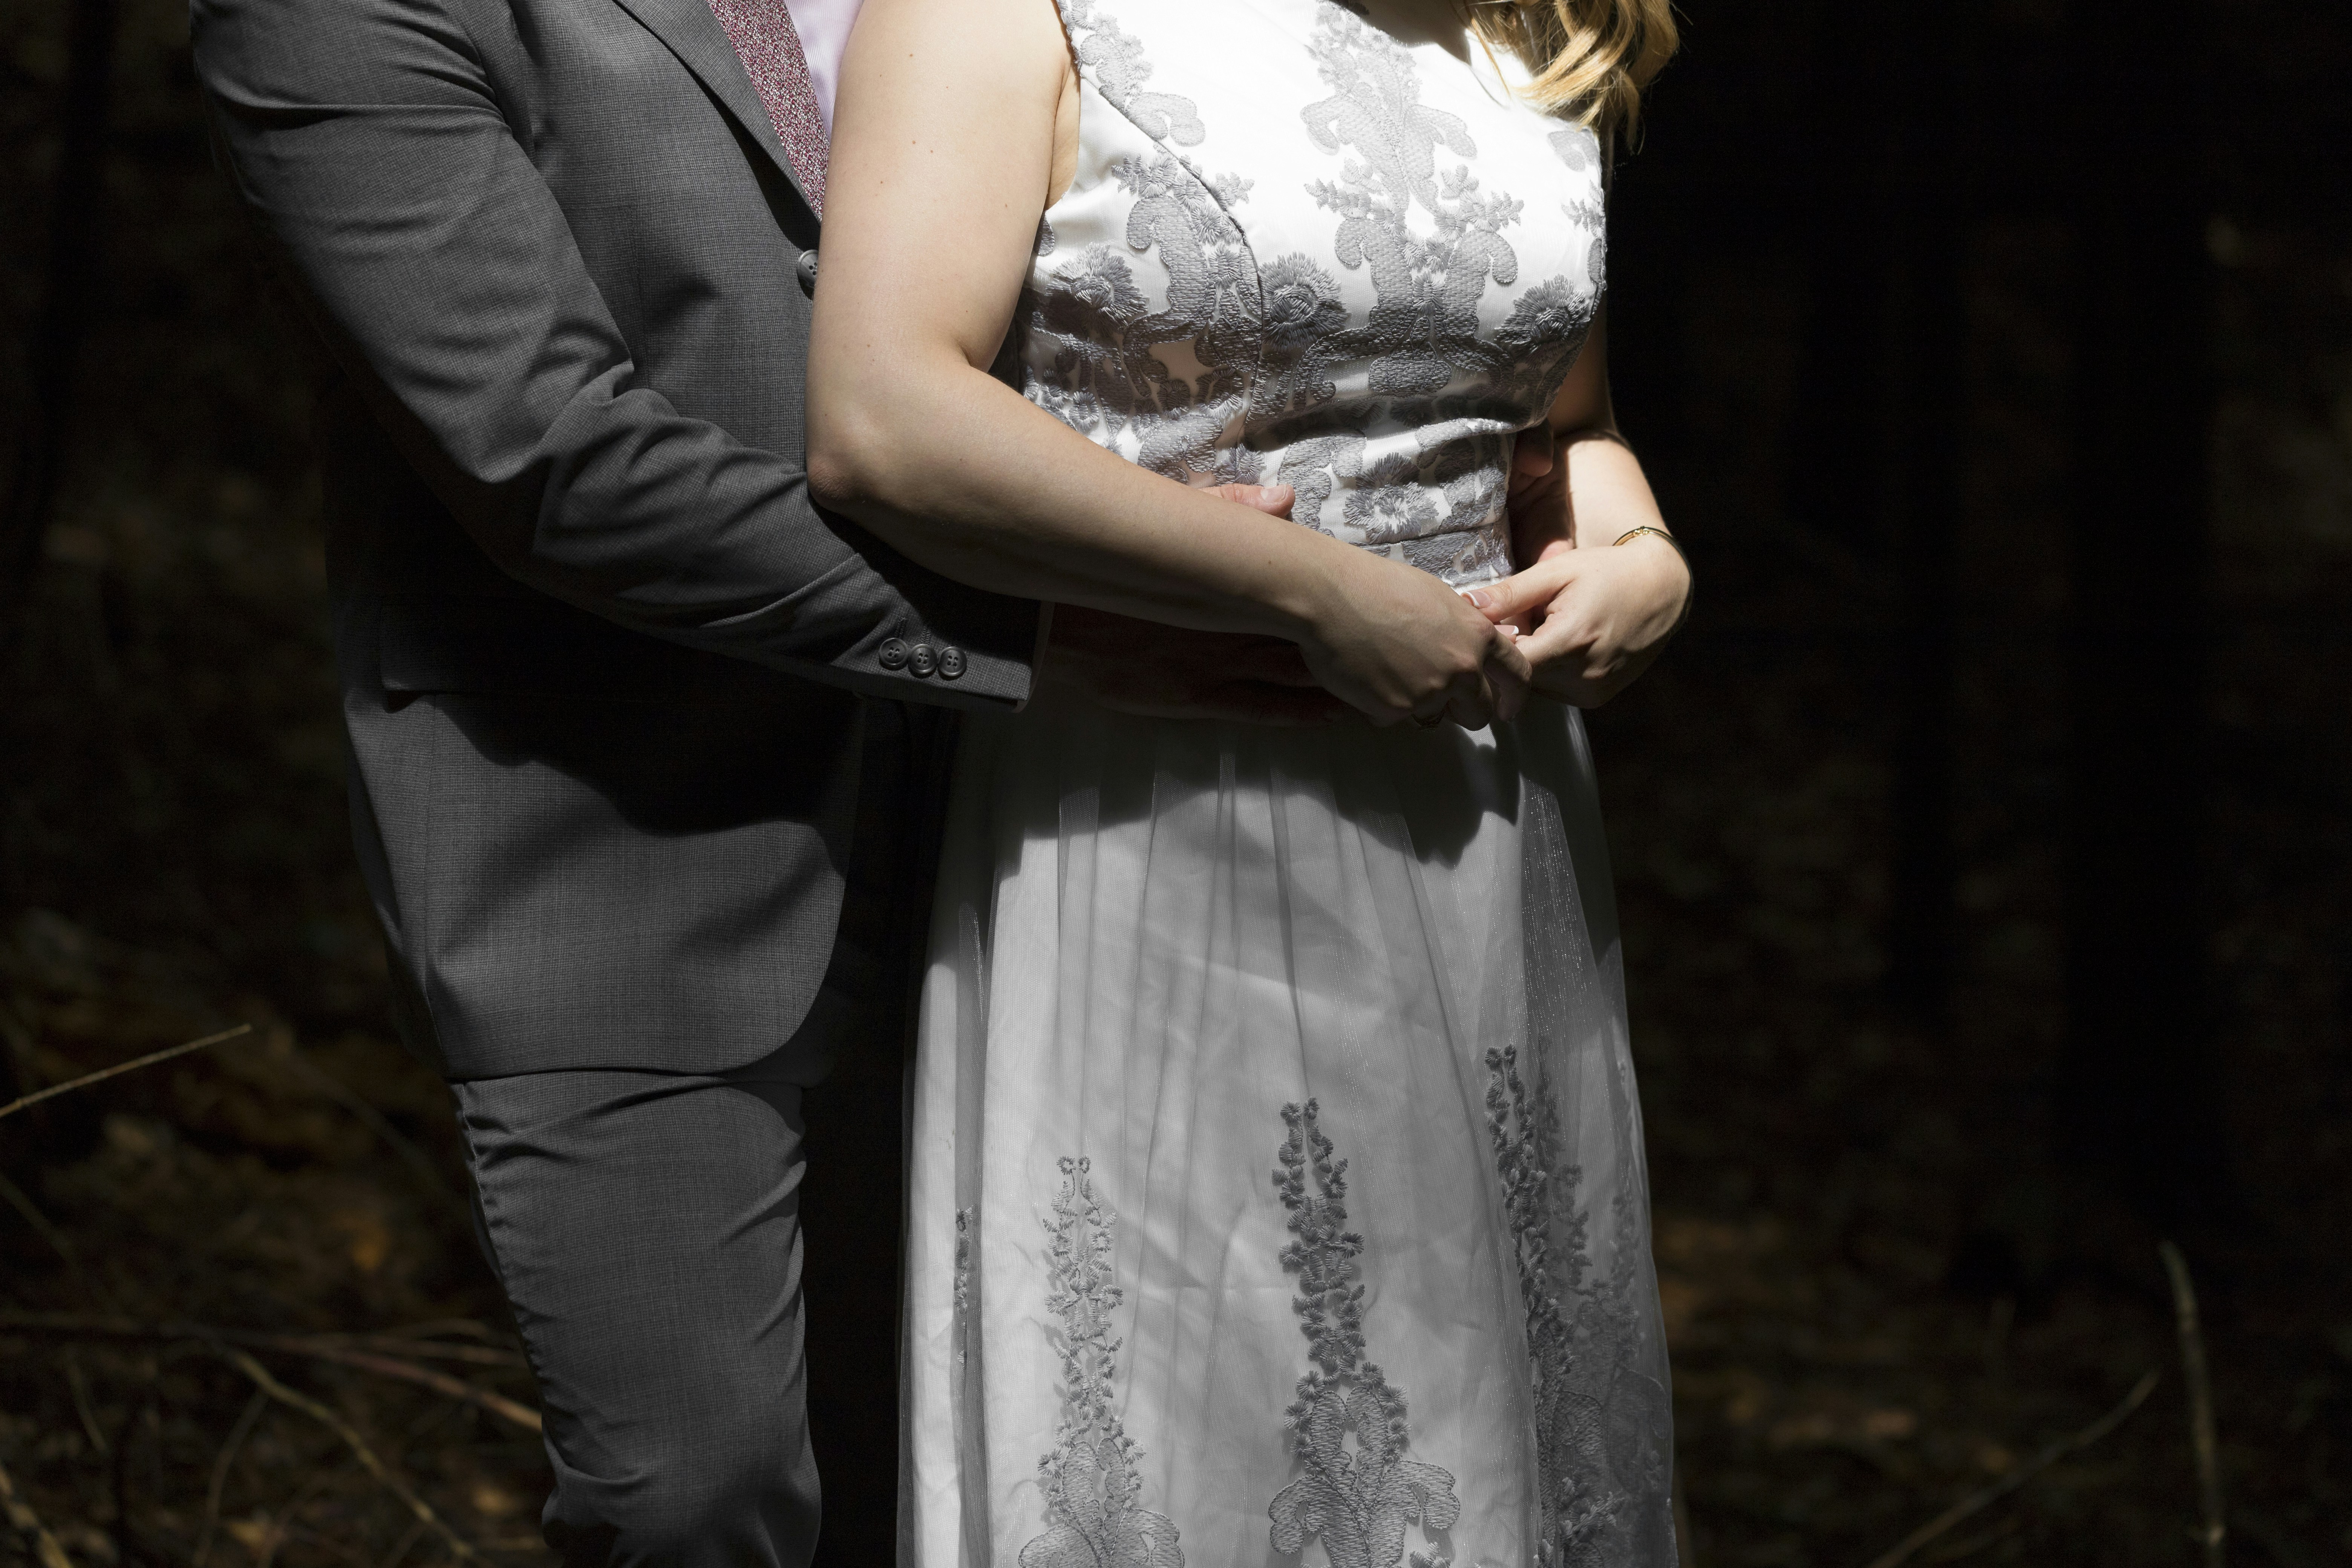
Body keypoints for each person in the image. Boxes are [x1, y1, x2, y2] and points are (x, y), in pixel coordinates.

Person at [185, 0, 1412, 1560]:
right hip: (621, 827)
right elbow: (552, 458)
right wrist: (1048, 620)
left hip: (1028, 831)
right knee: (697, 1496)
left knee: (991, 1466)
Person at [806, 0, 1690, 1560]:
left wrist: (1639, 550)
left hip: (1491, 826)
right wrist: (1298, 588)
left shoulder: (1523, 24)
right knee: (1201, 1388)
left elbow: (1564, 418)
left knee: (1487, 1416)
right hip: (1165, 792)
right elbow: (885, 415)